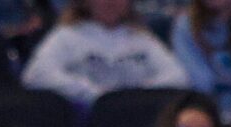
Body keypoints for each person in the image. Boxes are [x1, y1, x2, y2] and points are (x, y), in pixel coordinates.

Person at [22, 0, 187, 109]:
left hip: (137, 118)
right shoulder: (67, 36)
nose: (110, 2)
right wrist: (92, 94)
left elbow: (178, 77)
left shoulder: (141, 38)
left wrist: (137, 95)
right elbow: (36, 75)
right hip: (90, 122)